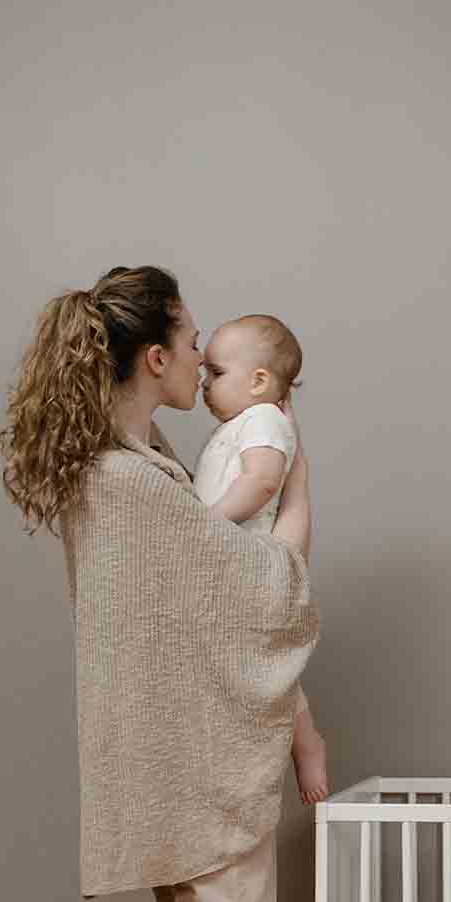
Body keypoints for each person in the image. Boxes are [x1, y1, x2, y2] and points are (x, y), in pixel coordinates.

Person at [0, 265, 317, 902]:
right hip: (189, 777)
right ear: (155, 357)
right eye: (191, 344)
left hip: (164, 769)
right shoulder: (132, 484)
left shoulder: (134, 465)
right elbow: (257, 594)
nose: (200, 361)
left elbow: (200, 611)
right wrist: (300, 501)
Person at [195, 312, 329, 803]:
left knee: (268, 669)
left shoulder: (265, 419)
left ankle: (306, 744)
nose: (204, 384)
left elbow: (262, 481)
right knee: (257, 668)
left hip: (252, 570)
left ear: (258, 381)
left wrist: (204, 523)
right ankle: (299, 742)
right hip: (229, 568)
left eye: (216, 373)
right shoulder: (240, 424)